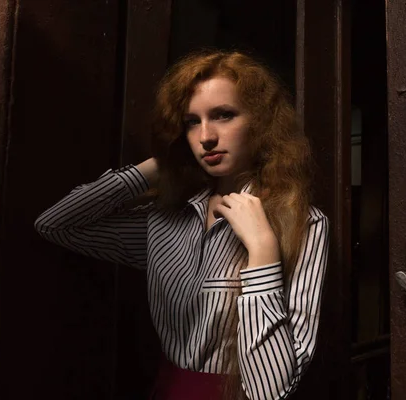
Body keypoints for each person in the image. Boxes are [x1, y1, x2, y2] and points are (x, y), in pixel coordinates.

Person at [34, 50, 329, 400]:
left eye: (223, 115)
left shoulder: (303, 223)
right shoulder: (165, 221)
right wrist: (157, 166)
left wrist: (263, 250)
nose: (206, 136)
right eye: (191, 122)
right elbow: (55, 224)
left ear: (261, 123)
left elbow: (270, 390)